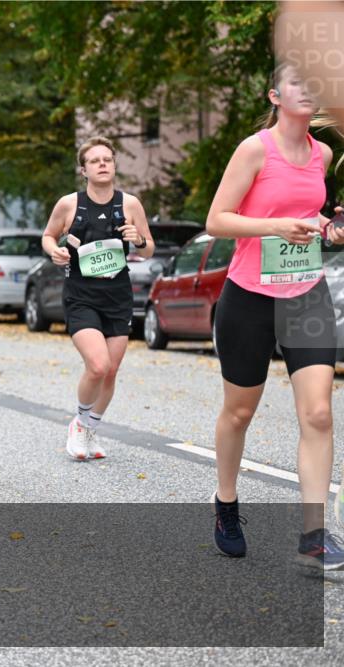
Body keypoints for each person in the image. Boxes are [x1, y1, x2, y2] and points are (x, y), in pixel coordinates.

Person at [205, 63, 344, 569]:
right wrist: (275, 227)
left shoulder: (322, 154)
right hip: (250, 297)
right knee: (239, 413)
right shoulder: (254, 149)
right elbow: (216, 220)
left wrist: (328, 228)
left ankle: (314, 535)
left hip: (306, 294)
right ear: (274, 95)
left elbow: (308, 215)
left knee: (319, 413)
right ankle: (225, 503)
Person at [41, 136, 155, 461]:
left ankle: (91, 427)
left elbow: (149, 249)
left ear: (115, 165)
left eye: (107, 159)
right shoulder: (69, 204)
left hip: (118, 296)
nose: (102, 164)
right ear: (84, 170)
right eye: (95, 160)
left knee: (111, 370)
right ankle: (79, 424)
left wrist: (139, 239)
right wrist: (55, 251)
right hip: (81, 295)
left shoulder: (130, 204)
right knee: (98, 365)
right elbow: (48, 236)